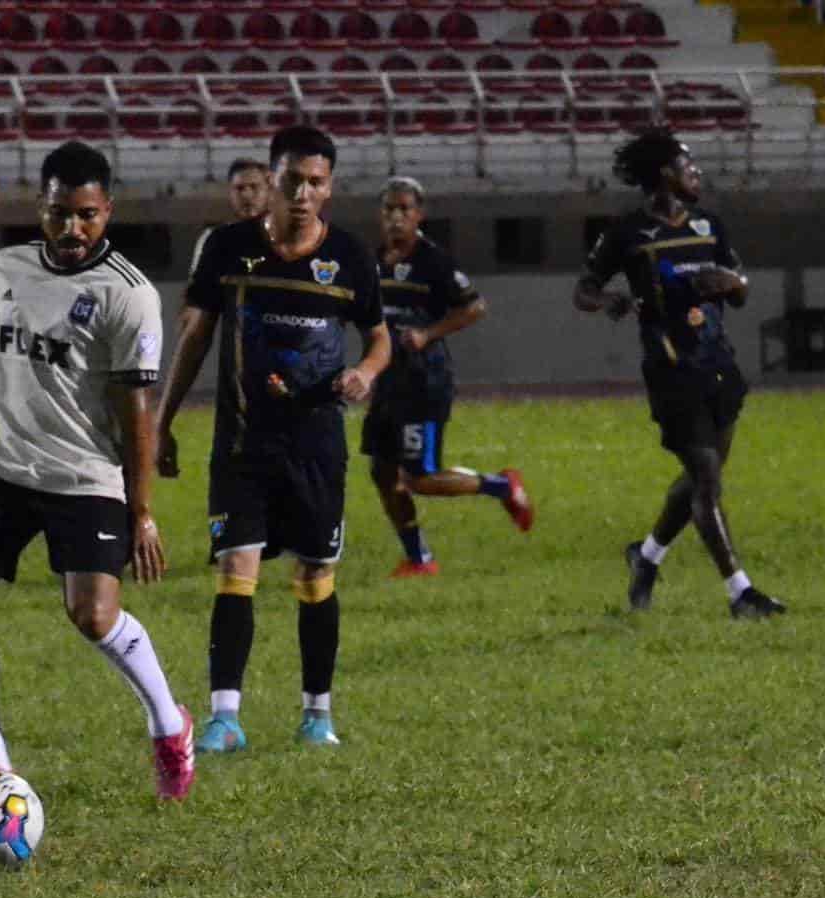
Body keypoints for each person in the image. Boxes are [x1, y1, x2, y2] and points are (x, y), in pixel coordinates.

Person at [0, 140, 195, 804]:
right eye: (58, 215)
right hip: (10, 470)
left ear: (107, 210)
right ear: (41, 210)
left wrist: (140, 511)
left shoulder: (128, 295)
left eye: (86, 215)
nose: (72, 230)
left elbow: (134, 408)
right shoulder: (9, 267)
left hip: (87, 478)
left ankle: (170, 725)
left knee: (92, 616)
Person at [155, 125, 391, 753]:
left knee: (315, 575)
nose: (303, 193)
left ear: (329, 187)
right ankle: (224, 718)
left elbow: (379, 335)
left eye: (316, 182)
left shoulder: (350, 257)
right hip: (243, 443)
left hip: (317, 445)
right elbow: (197, 337)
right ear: (274, 179)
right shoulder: (229, 249)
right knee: (238, 569)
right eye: (293, 181)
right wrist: (163, 421)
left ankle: (318, 714)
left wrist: (365, 373)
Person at [573, 127, 784, 619]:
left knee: (697, 481)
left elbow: (741, 286)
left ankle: (645, 557)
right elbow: (584, 288)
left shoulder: (710, 224)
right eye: (691, 167)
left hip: (720, 366)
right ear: (667, 174)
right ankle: (741, 593)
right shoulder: (627, 233)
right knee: (707, 479)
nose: (698, 174)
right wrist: (606, 300)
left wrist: (730, 283)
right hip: (671, 371)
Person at [364, 177, 532, 578]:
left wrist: (427, 333)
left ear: (419, 215)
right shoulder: (372, 260)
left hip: (423, 382)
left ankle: (501, 486)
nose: (396, 217)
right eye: (389, 209)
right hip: (388, 381)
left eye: (404, 209)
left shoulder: (432, 260)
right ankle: (419, 559)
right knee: (382, 472)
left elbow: (474, 307)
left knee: (420, 477)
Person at [187, 158, 271, 276]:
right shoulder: (212, 239)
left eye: (254, 187)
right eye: (239, 188)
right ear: (230, 193)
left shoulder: (287, 240)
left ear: (268, 191)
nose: (246, 195)